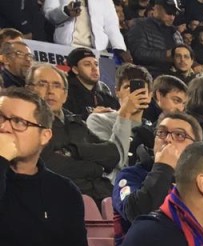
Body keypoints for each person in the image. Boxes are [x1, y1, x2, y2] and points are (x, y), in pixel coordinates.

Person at [0, 88, 95, 246]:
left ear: (45, 135)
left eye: (18, 122)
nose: (4, 128)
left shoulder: (63, 191)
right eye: (1, 118)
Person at [112, 109, 201, 246]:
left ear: (195, 148)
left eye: (179, 135)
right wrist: (163, 168)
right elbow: (137, 214)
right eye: (161, 132)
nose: (168, 139)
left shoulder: (201, 182)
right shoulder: (130, 175)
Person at [29, 63, 118, 201]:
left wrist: (76, 150)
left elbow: (112, 154)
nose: (50, 91)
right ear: (29, 90)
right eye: (42, 84)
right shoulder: (26, 125)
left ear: (65, 95)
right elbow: (51, 167)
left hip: (102, 196)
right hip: (59, 199)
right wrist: (96, 168)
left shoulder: (75, 121)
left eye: (57, 86)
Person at [84, 63, 150, 177]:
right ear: (117, 91)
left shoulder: (154, 129)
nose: (133, 93)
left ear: (150, 95)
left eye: (140, 89)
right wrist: (125, 113)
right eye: (128, 87)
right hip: (112, 190)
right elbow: (113, 161)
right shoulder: (98, 120)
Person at [125, 0, 179, 73]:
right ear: (156, 9)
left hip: (170, 76)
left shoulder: (174, 32)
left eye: (174, 14)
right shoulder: (140, 25)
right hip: (147, 75)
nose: (172, 18)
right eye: (168, 13)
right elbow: (138, 53)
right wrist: (165, 54)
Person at [63, 46, 118, 118]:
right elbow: (62, 121)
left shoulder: (108, 98)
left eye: (96, 64)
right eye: (87, 64)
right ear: (75, 70)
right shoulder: (65, 95)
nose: (94, 69)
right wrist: (90, 116)